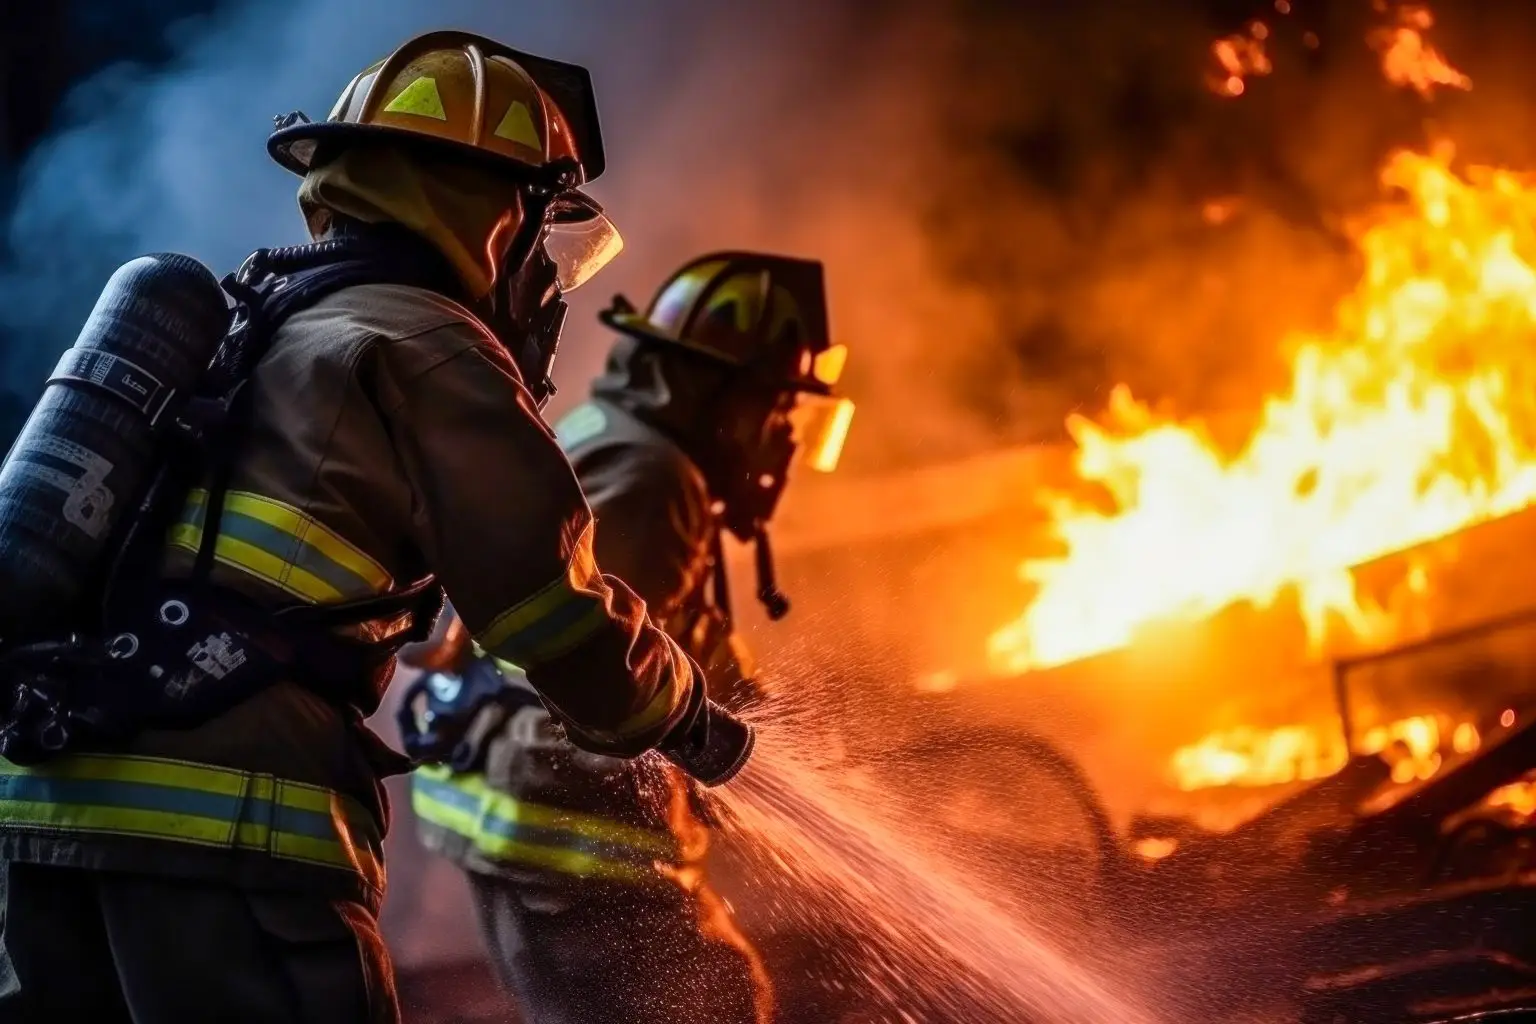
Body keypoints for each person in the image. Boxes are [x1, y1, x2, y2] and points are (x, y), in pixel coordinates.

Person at [0, 30, 717, 1024]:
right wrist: (687, 711)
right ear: (498, 216)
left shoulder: (250, 317)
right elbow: (548, 611)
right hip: (226, 819)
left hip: (42, 802)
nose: (547, 279)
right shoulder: (432, 345)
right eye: (542, 232)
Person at [404, 252, 855, 1024]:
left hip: (515, 823)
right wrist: (710, 758)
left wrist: (765, 723)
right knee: (719, 1003)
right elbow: (604, 670)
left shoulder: (618, 438)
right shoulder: (653, 479)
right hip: (572, 844)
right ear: (714, 392)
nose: (783, 438)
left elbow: (659, 628)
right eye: (778, 408)